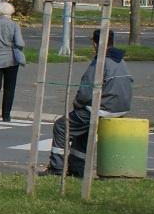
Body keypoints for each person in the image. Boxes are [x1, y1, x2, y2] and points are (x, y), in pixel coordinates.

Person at [47, 30, 134, 176]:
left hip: (102, 109)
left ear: (95, 43)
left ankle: (57, 168)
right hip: (121, 108)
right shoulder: (121, 61)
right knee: (82, 130)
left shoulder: (100, 62)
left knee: (62, 126)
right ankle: (77, 168)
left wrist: (77, 105)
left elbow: (86, 92)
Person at [0, 1, 25, 121]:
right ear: (10, 12)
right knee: (9, 88)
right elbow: (19, 43)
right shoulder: (14, 25)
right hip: (11, 59)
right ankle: (6, 115)